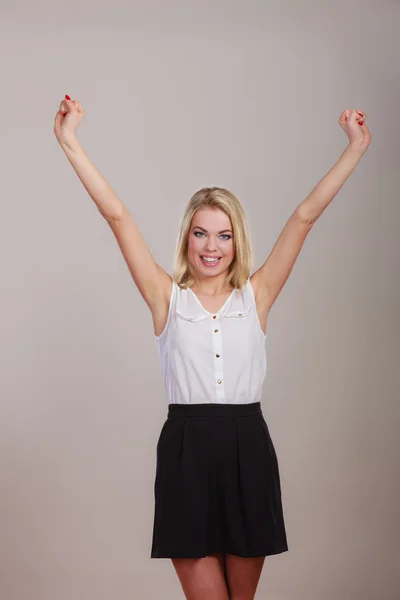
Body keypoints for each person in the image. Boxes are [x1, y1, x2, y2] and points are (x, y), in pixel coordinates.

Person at [54, 96, 371, 600]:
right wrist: (69, 140)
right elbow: (117, 216)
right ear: (186, 240)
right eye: (200, 233)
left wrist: (355, 148)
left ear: (236, 241)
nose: (211, 246)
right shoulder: (167, 300)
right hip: (187, 453)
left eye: (223, 235)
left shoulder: (257, 296)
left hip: (249, 450)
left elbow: (304, 217)